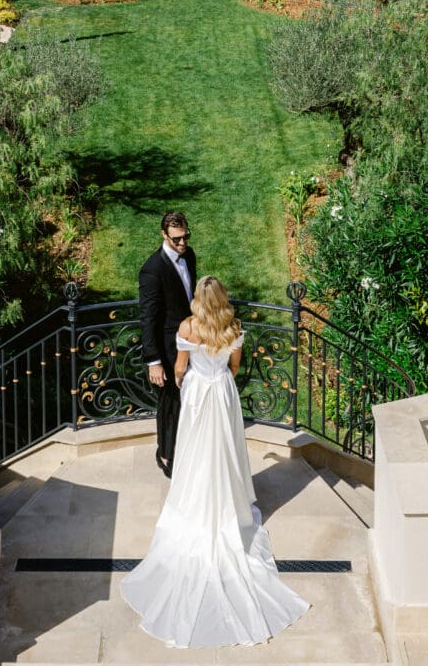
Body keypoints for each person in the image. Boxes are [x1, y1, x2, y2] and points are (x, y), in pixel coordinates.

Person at [122, 276, 310, 648]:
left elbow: (179, 368)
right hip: (222, 393)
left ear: (198, 300)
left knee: (194, 450)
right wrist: (217, 375)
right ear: (222, 298)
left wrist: (187, 380)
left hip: (196, 393)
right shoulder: (234, 327)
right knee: (223, 449)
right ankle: (227, 499)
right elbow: (235, 367)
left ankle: (194, 498)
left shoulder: (188, 327)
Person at [138, 210, 196, 478]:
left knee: (187, 399)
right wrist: (154, 361)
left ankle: (186, 448)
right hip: (167, 349)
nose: (182, 243)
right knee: (170, 402)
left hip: (189, 342)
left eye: (185, 237)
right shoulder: (152, 269)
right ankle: (166, 455)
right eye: (177, 239)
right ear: (164, 235)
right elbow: (148, 318)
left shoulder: (190, 256)